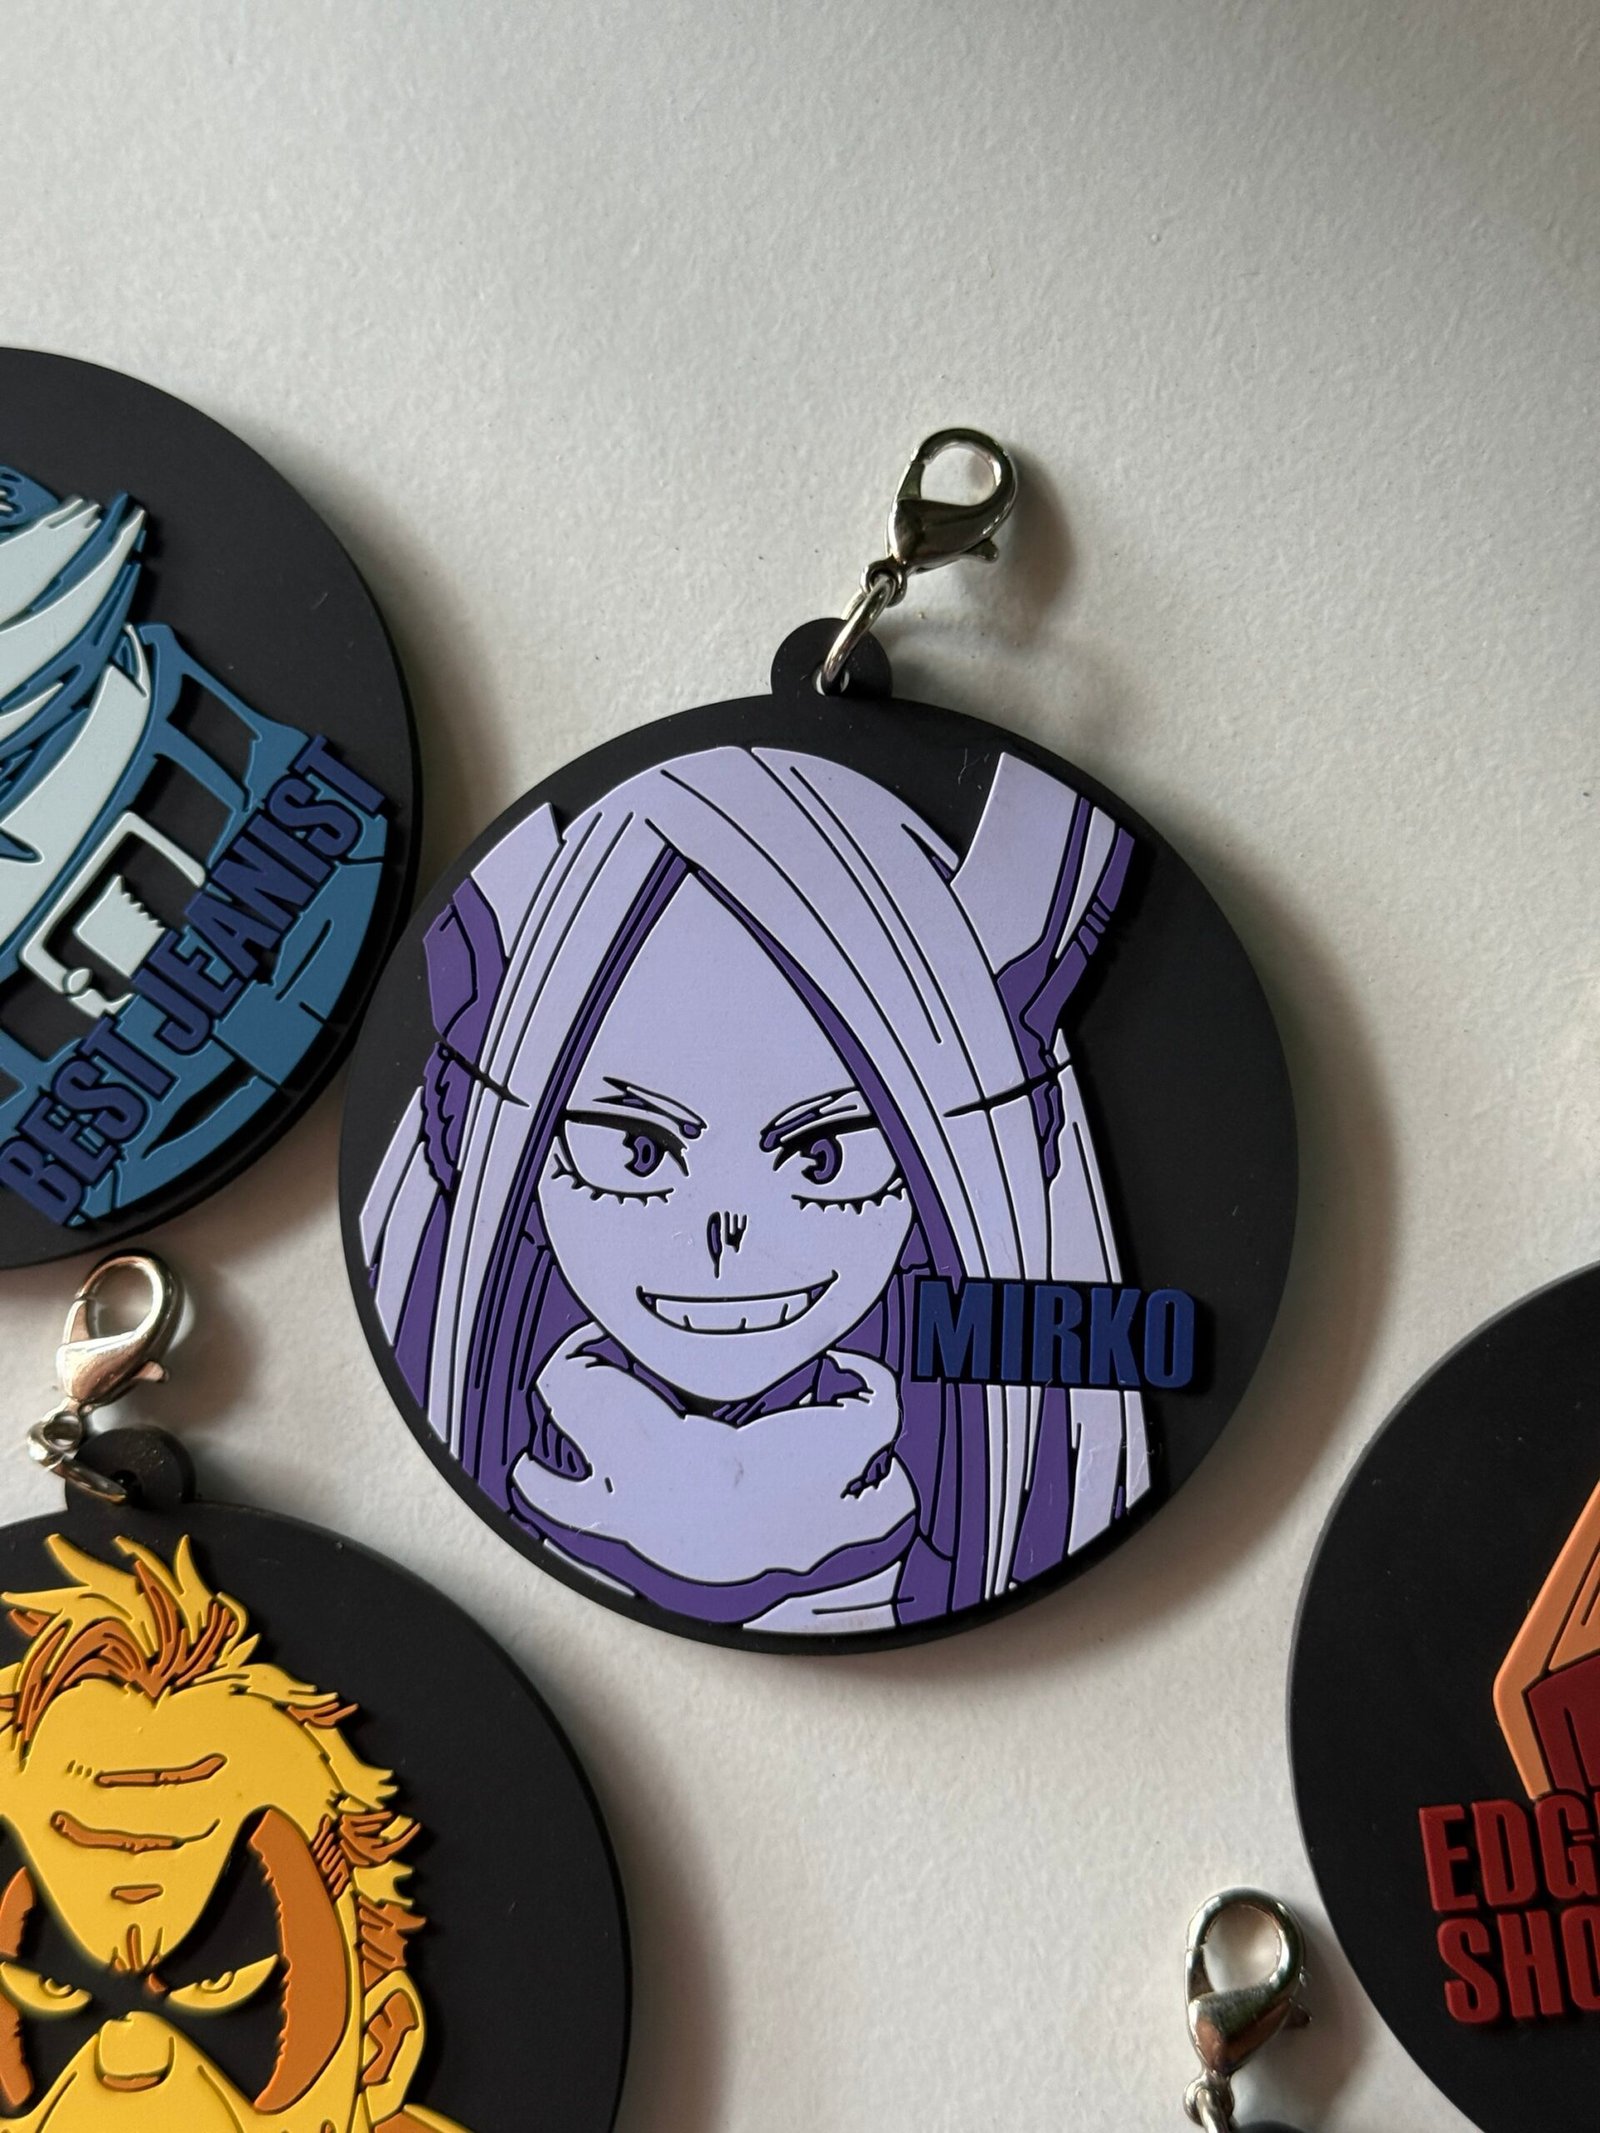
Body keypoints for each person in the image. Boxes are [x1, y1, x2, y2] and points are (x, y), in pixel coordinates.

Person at [362, 743, 1145, 1633]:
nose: (727, 1235)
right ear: (490, 1136)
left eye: (825, 1158)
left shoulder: (996, 1403)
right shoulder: (483, 1369)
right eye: (637, 1153)